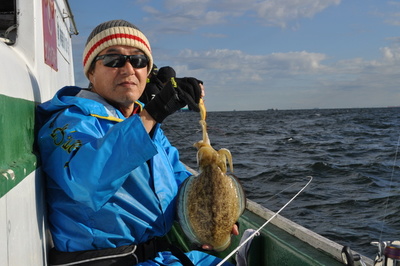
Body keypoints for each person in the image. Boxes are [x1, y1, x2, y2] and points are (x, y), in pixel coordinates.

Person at [36, 19, 237, 265]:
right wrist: (152, 113)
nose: (129, 69)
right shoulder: (66, 122)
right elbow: (86, 182)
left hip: (159, 256)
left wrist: (215, 212)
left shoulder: (144, 123)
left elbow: (178, 182)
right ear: (90, 71)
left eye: (139, 61)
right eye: (113, 60)